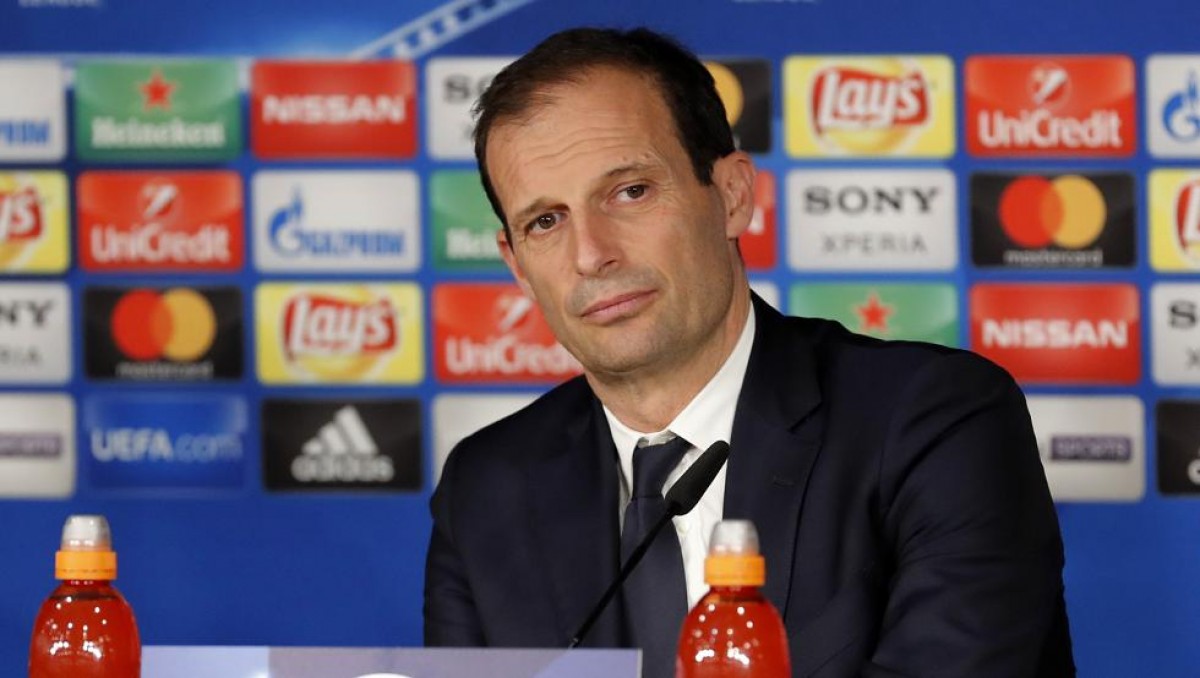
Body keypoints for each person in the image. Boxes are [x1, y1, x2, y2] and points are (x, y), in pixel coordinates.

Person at [424, 26, 1074, 678]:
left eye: (631, 191)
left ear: (732, 196)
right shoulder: (486, 487)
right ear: (517, 264)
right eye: (545, 221)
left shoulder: (934, 422)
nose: (591, 254)